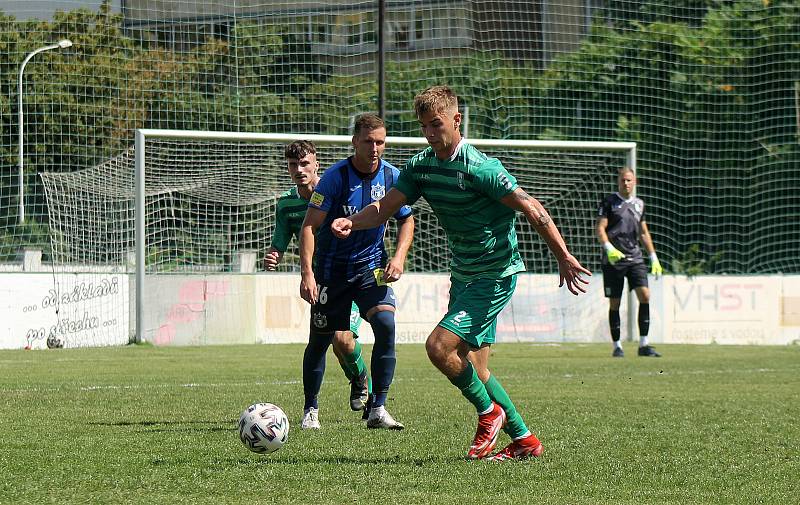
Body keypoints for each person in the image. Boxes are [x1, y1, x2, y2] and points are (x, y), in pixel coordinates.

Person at [331, 86, 591, 461]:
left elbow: (533, 209)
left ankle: (490, 414)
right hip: (464, 275)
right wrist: (351, 222)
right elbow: (383, 208)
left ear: (456, 120)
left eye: (437, 124)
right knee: (475, 366)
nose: (430, 134)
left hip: (495, 275)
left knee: (439, 347)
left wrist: (564, 257)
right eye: (424, 127)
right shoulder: (421, 167)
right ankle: (525, 440)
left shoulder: (481, 169)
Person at [298, 114, 415, 430]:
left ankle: (378, 408)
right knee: (322, 340)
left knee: (386, 324)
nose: (375, 148)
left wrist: (400, 257)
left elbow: (407, 219)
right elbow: (310, 226)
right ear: (355, 142)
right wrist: (307, 274)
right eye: (368, 141)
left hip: (371, 269)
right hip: (331, 272)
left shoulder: (393, 177)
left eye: (380, 142)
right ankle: (311, 410)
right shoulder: (335, 178)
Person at [265, 140, 372, 422]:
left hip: (349, 275)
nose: (299, 170)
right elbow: (282, 237)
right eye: (292, 165)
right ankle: (311, 409)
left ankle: (361, 380)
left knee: (342, 340)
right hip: (319, 281)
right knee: (323, 341)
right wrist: (275, 252)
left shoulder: (335, 193)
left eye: (304, 164)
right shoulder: (287, 203)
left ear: (316, 165)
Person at [596, 167, 663, 358]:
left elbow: (643, 232)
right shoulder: (609, 202)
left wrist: (653, 257)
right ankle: (617, 346)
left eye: (629, 180)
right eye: (623, 180)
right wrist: (609, 248)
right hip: (614, 260)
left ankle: (644, 345)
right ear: (619, 182)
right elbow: (600, 228)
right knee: (615, 303)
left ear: (635, 182)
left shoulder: (639, 204)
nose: (626, 183)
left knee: (645, 295)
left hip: (635, 258)